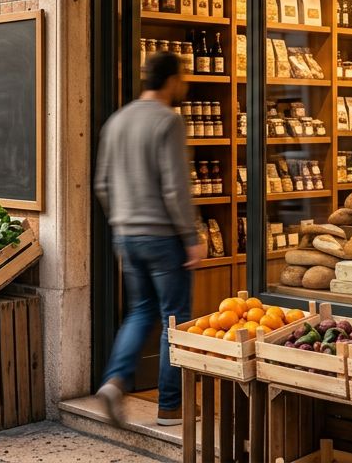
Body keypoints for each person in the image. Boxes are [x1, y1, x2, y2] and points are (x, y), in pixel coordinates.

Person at [92, 50, 206, 427]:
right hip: (163, 237)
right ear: (172, 80)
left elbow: (102, 184)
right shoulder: (167, 120)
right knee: (175, 318)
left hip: (126, 234)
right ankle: (171, 406)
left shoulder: (117, 120)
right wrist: (191, 236)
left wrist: (122, 222)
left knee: (140, 311)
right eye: (182, 78)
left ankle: (114, 382)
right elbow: (175, 187)